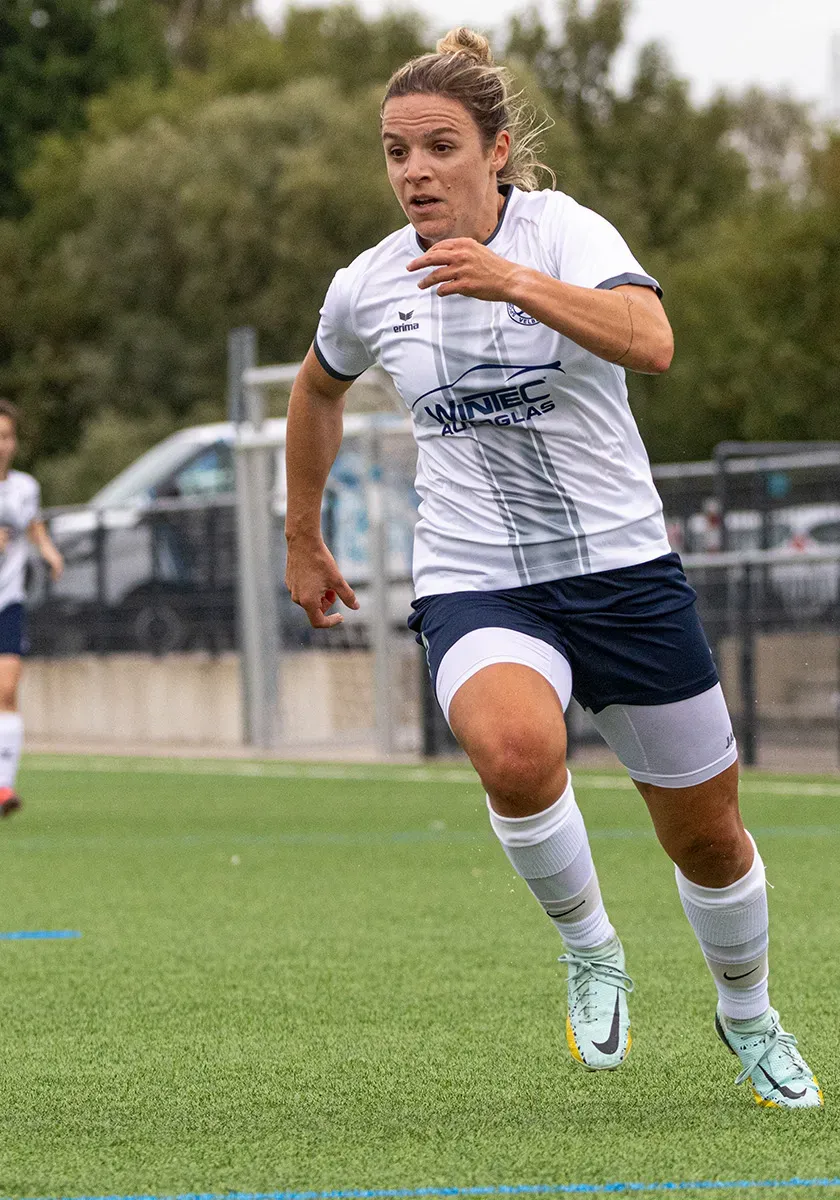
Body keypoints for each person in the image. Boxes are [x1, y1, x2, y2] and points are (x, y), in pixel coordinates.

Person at [284, 28, 821, 1108]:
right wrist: (303, 534)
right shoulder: (369, 286)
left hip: (625, 575)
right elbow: (318, 391)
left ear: (494, 152)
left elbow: (653, 339)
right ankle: (590, 947)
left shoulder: (563, 234)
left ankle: (748, 1012)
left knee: (709, 839)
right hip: (478, 576)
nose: (416, 172)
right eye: (396, 153)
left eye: (439, 147)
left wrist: (513, 283)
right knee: (516, 753)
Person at [0, 399, 63, 816]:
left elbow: (33, 526)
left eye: (5, 436)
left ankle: (4, 788)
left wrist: (48, 550)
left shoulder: (25, 487)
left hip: (9, 601)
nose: (0, 444)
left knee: (6, 689)